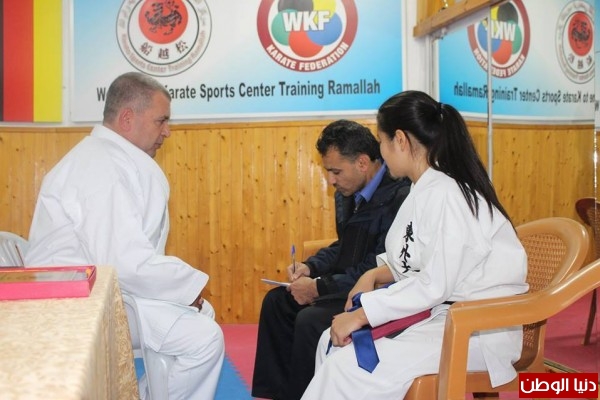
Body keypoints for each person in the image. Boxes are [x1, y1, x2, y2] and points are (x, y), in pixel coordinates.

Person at [301, 91, 529, 399]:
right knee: (329, 341)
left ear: (400, 140)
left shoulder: (447, 194)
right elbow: (410, 260)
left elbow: (435, 283)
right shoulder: (423, 189)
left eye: (381, 141)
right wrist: (372, 275)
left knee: (347, 367)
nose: (381, 151)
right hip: (443, 317)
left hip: (477, 330)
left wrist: (362, 315)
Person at [25, 71, 224, 400]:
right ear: (128, 118)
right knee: (203, 338)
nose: (167, 131)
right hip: (72, 306)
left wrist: (184, 290)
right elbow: (123, 261)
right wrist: (187, 288)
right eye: (161, 121)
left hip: (99, 293)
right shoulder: (99, 166)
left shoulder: (108, 158)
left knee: (202, 318)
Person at [252, 119, 411, 400]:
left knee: (310, 319)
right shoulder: (348, 193)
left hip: (376, 291)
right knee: (277, 302)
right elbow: (343, 246)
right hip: (345, 283)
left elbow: (380, 265)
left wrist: (319, 287)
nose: (331, 180)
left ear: (362, 163)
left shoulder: (399, 196)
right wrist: (311, 266)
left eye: (336, 171)